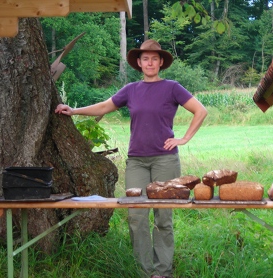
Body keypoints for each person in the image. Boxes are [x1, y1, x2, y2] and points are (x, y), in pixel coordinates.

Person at [55, 39, 207, 278]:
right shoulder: (131, 90)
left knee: (163, 216)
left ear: (160, 63)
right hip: (136, 161)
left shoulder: (172, 87)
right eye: (145, 58)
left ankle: (163, 272)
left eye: (154, 59)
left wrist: (184, 139)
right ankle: (145, 271)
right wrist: (73, 110)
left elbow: (201, 110)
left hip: (165, 160)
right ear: (138, 62)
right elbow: (105, 106)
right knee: (136, 217)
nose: (150, 62)